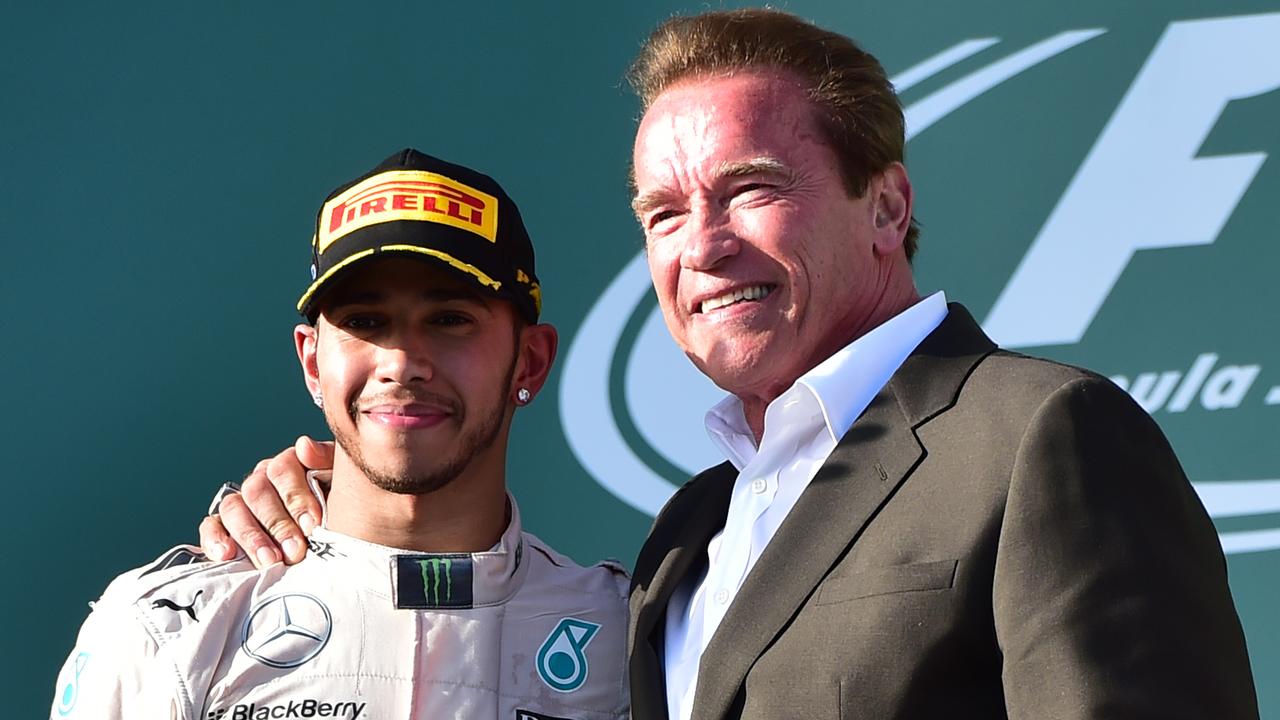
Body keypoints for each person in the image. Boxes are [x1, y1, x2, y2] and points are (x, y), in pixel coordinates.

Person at [197, 9, 1260, 720]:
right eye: (663, 212)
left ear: (885, 204)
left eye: (748, 189)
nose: (700, 245)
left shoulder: (1038, 435)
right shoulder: (688, 533)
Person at [50, 149, 629, 720]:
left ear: (529, 362)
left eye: (450, 319)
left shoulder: (629, 637)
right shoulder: (170, 630)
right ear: (311, 363)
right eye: (363, 322)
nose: (401, 363)